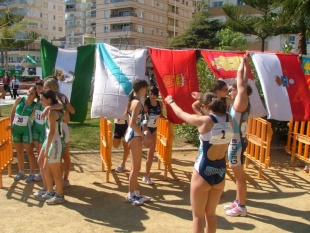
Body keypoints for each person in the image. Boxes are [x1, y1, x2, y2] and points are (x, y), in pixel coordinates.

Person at [165, 92, 233, 233]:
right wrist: (202, 98)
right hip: (220, 171)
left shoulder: (205, 121)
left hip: (203, 172)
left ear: (205, 106)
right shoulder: (229, 118)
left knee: (197, 216)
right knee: (211, 214)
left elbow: (180, 114)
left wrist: (171, 102)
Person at [224, 53, 252, 217]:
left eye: (230, 90)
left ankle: (241, 207)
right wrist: (246, 64)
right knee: (237, 176)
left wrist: (242, 62)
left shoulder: (241, 99)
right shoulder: (240, 101)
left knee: (240, 177)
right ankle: (237, 201)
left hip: (237, 143)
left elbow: (242, 80)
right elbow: (244, 80)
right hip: (236, 141)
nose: (229, 92)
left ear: (237, 90)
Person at [42, 77, 75, 189]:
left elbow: (71, 111)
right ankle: (61, 179)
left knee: (62, 154)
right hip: (59, 125)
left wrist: (63, 107)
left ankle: (62, 179)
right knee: (60, 155)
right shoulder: (58, 96)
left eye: (45, 86)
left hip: (61, 126)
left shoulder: (59, 97)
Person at [124, 79, 152, 206]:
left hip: (132, 135)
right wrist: (142, 135)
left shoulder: (134, 101)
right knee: (136, 168)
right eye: (146, 88)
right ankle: (131, 195)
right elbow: (132, 122)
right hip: (134, 136)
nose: (147, 91)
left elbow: (130, 119)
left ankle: (136, 192)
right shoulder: (137, 103)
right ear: (142, 88)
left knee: (134, 167)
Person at [37, 89, 66, 205]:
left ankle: (60, 195)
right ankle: (50, 191)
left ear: (49, 100)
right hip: (49, 140)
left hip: (54, 142)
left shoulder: (53, 112)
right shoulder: (51, 109)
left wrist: (47, 147)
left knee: (56, 172)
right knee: (45, 168)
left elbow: (53, 131)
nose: (41, 102)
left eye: (42, 100)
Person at [7, 86, 38, 182]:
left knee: (29, 151)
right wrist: (11, 124)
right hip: (16, 129)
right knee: (19, 151)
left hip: (26, 129)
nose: (29, 94)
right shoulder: (19, 99)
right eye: (29, 91)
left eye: (32, 93)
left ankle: (32, 173)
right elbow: (12, 111)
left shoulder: (35, 105)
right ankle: (21, 172)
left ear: (35, 96)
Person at [142, 85, 164, 185]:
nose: (152, 96)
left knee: (151, 153)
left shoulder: (160, 104)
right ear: (148, 94)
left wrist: (169, 119)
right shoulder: (146, 104)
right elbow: (142, 118)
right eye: (151, 94)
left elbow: (162, 115)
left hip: (154, 130)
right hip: (146, 129)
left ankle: (146, 175)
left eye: (154, 94)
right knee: (139, 151)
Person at [32, 81, 46, 182]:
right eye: (37, 89)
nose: (38, 90)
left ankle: (44, 173)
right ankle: (41, 172)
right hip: (35, 127)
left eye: (40, 88)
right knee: (38, 152)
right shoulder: (37, 101)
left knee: (42, 152)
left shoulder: (46, 100)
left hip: (43, 129)